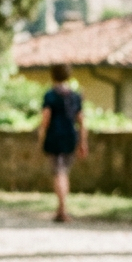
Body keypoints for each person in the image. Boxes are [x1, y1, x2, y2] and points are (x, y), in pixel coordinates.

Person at [38, 63, 87, 222]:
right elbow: (81, 122)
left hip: (55, 137)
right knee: (64, 171)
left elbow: (45, 119)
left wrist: (41, 137)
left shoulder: (50, 96)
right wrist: (83, 142)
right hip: (70, 137)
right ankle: (62, 208)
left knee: (59, 173)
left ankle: (62, 209)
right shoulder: (75, 96)